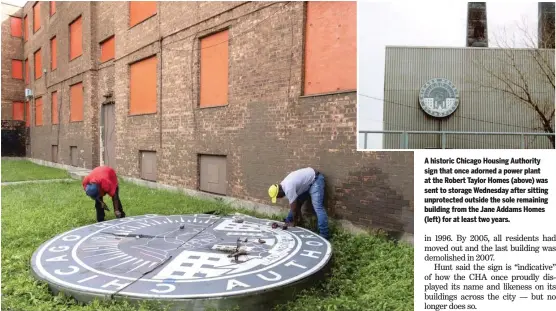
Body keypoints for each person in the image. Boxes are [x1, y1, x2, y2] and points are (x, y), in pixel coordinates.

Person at [268, 167, 329, 239]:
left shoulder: (288, 187)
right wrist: (297, 219)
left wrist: (295, 221)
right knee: (298, 202)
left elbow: (294, 208)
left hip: (316, 180)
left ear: (279, 191)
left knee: (318, 207)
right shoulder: (282, 186)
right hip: (307, 184)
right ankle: (289, 220)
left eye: (277, 196)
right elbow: (296, 204)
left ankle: (324, 234)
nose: (279, 198)